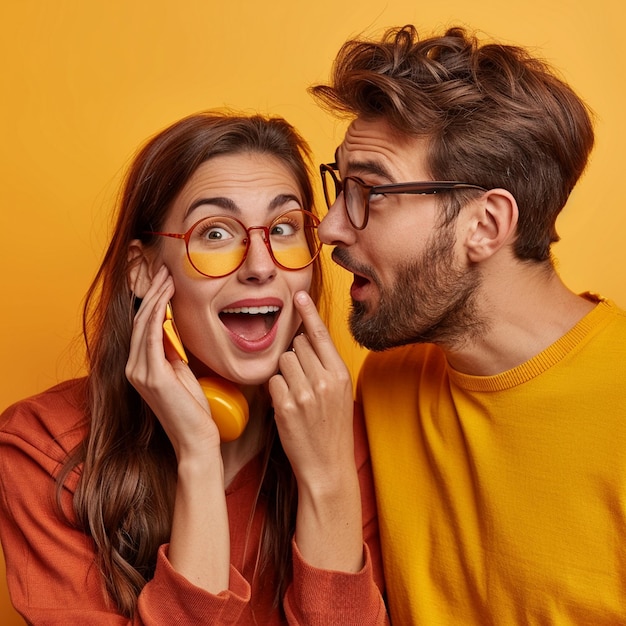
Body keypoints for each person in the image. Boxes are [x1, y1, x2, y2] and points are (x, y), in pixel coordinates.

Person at [0, 112, 388, 624]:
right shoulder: (43, 446)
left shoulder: (354, 436)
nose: (260, 265)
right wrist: (199, 461)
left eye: (284, 228)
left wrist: (328, 477)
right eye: (216, 233)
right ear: (144, 272)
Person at [311, 24, 626, 625]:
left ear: (484, 224)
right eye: (340, 186)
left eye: (370, 192)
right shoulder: (386, 384)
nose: (329, 228)